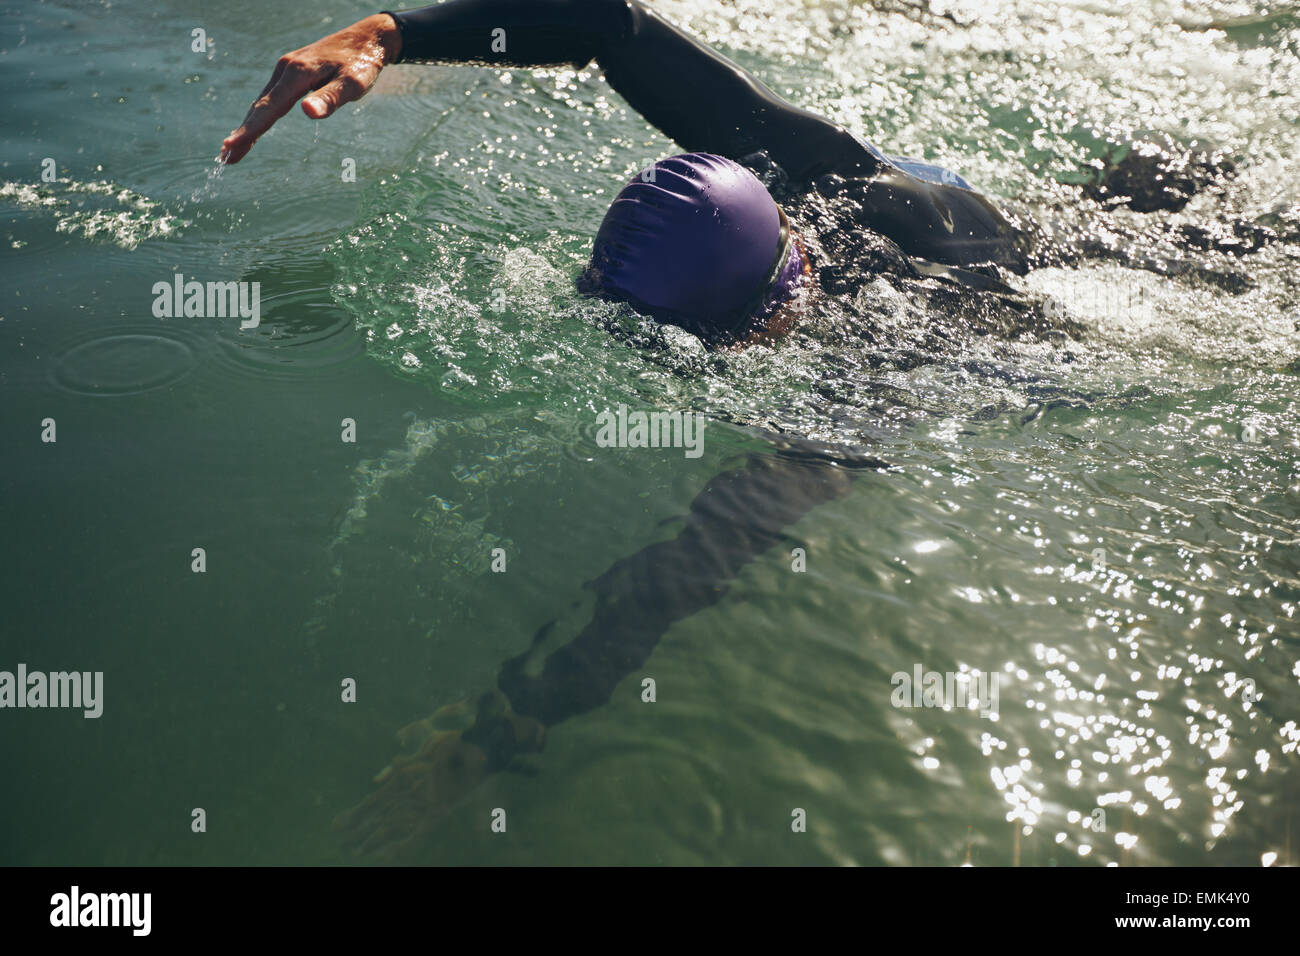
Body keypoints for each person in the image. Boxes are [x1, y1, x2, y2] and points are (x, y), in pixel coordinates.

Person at [222, 0, 1036, 345]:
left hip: (1065, 253)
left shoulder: (883, 246)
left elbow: (717, 547)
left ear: (764, 322)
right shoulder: (776, 174)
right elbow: (604, 23)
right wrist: (387, 34)